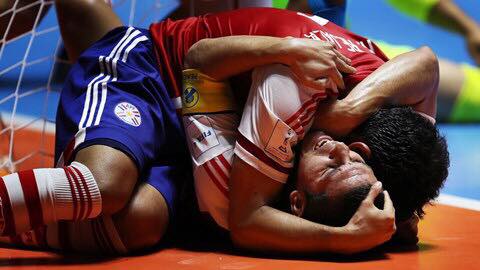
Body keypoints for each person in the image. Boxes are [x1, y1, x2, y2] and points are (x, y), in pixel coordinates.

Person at [0, 2, 448, 255]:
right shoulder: (293, 91)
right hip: (150, 70)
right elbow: (246, 222)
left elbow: (425, 64)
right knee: (106, 186)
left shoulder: (397, 129)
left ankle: (19, 225)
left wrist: (405, 213)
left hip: (204, 111)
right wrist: (345, 238)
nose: (336, 151)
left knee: (140, 224)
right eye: (349, 153)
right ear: (362, 147)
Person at [287, 0, 480, 122]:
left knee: (470, 90)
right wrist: (283, 48)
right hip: (277, 60)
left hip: (346, 51)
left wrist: (470, 29)